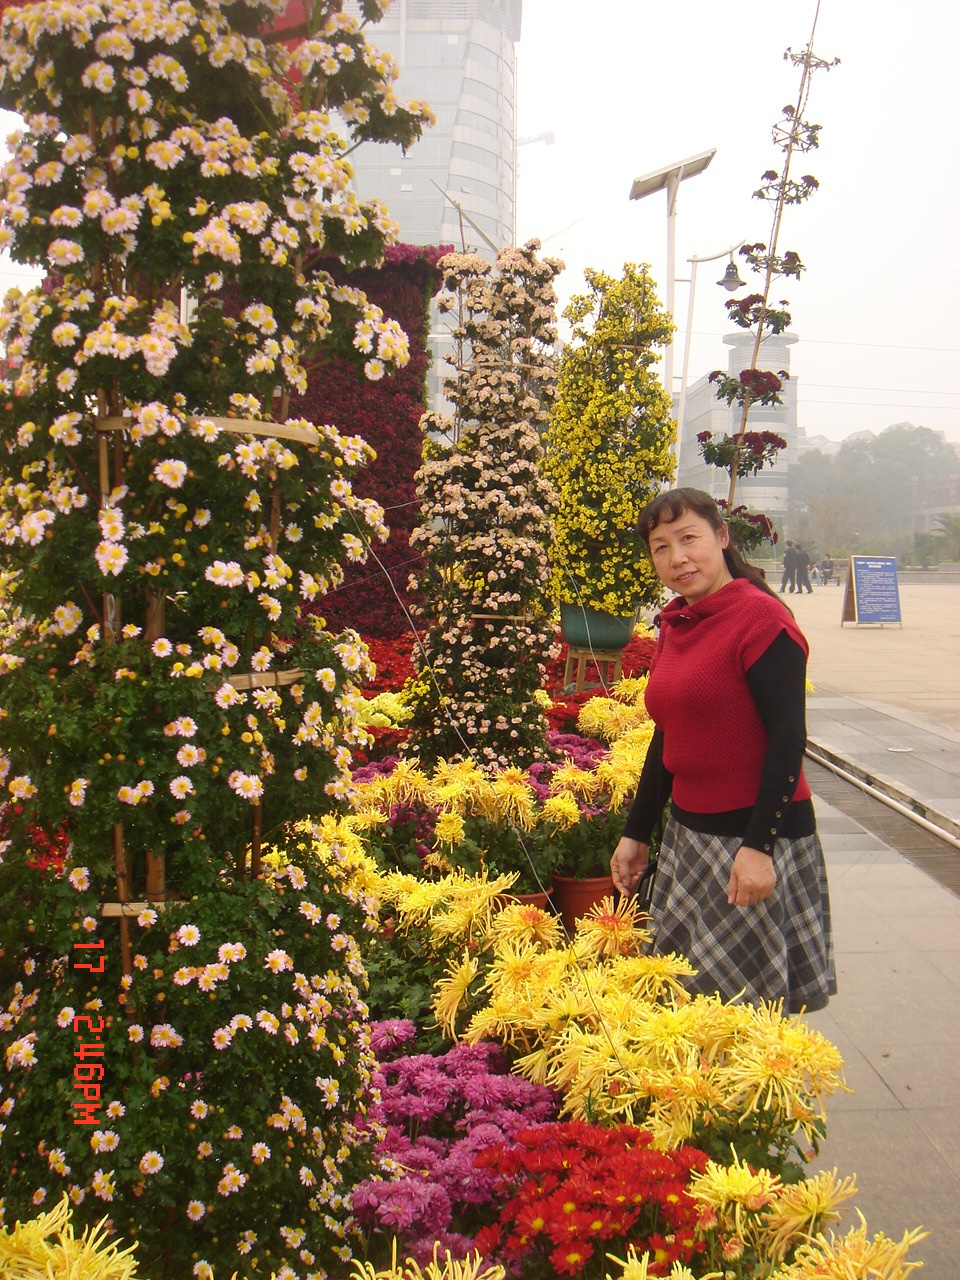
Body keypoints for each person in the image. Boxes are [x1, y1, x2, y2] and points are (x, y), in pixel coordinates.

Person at [611, 487, 835, 1012]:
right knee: (690, 1003)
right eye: (660, 547)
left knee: (744, 1012)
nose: (677, 558)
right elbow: (667, 734)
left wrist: (759, 848)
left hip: (754, 838)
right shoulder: (678, 622)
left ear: (722, 536)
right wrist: (637, 832)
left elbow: (787, 738)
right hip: (692, 836)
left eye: (689, 539)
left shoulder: (763, 621)